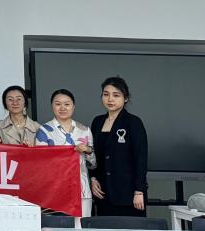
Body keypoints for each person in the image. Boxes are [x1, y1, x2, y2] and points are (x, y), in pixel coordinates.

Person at [90, 76, 148, 217]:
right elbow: (93, 155)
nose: (110, 99)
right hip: (103, 193)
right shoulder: (97, 122)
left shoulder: (133, 122)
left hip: (128, 194)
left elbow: (140, 158)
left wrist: (139, 191)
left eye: (116, 95)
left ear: (125, 98)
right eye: (106, 94)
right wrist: (93, 178)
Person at [36, 88, 96, 217]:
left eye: (67, 104)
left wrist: (87, 150)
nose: (62, 108)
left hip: (81, 189)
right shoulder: (44, 130)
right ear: (52, 106)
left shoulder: (84, 130)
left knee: (81, 226)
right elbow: (40, 162)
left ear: (73, 107)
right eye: (58, 104)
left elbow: (93, 164)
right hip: (54, 189)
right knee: (56, 226)